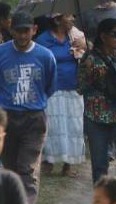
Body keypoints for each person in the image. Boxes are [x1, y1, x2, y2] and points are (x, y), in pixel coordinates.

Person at [0, 10, 57, 204]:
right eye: (18, 31)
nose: (23, 36)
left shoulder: (45, 56)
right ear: (11, 30)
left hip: (34, 119)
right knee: (11, 170)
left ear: (34, 30)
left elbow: (50, 86)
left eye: (27, 31)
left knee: (27, 168)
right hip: (7, 118)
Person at [78, 18, 116, 183]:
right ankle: (102, 199)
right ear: (103, 36)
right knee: (99, 164)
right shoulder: (89, 59)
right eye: (115, 35)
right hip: (96, 115)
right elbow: (80, 87)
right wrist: (90, 73)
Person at [36, 14, 87, 177]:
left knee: (74, 125)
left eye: (73, 15)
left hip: (73, 87)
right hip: (52, 89)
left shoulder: (75, 36)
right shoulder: (43, 40)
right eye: (68, 16)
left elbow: (91, 53)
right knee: (52, 125)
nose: (72, 19)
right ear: (57, 20)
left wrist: (85, 44)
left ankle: (68, 164)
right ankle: (48, 161)